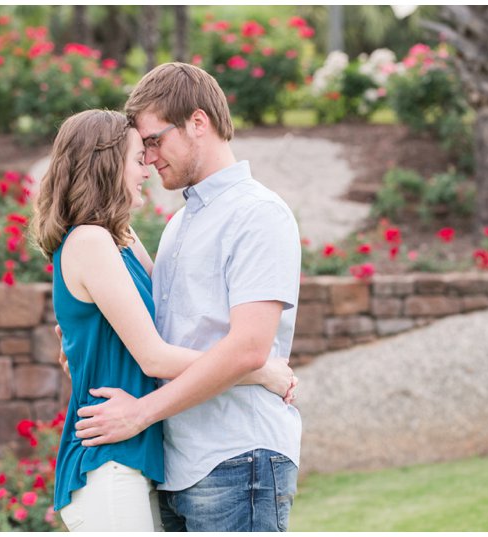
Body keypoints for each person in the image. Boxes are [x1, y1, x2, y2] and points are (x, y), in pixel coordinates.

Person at [33, 109, 296, 532]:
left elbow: (163, 319)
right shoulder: (89, 241)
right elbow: (154, 357)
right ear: (107, 164)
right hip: (108, 461)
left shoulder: (122, 238)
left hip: (139, 460)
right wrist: (259, 371)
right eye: (139, 157)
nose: (148, 169)